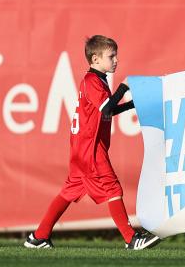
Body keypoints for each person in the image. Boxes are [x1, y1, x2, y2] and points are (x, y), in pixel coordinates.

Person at [25, 35, 160, 250]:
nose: (116, 60)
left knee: (69, 191)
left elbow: (109, 110)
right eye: (111, 56)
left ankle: (39, 236)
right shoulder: (92, 81)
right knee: (112, 189)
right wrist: (123, 88)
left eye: (116, 56)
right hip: (91, 149)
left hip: (82, 148)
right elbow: (106, 108)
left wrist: (133, 104)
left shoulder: (97, 81)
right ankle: (130, 238)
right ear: (95, 59)